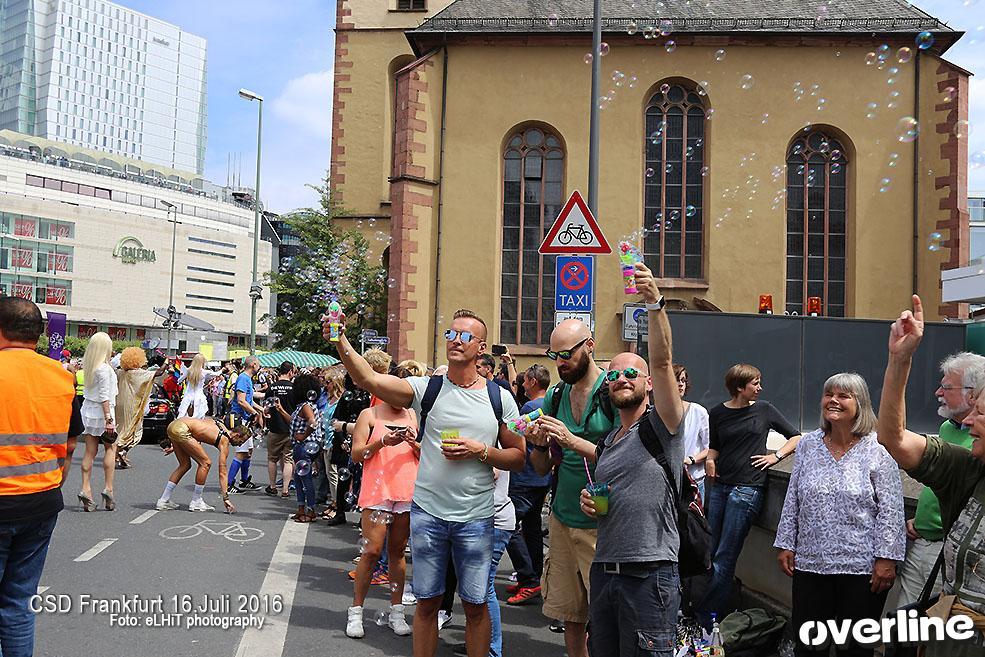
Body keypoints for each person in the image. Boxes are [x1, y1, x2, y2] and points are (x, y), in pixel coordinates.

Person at [324, 307, 524, 657]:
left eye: (465, 336)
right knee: (428, 605)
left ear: (481, 347)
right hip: (429, 516)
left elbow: (518, 457)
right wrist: (340, 339)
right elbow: (370, 380)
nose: (455, 340)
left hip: (476, 517)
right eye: (450, 334)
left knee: (476, 606)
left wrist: (481, 452)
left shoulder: (499, 398)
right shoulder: (427, 389)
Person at [575, 263, 685, 657]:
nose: (621, 378)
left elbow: (660, 361)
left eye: (631, 375)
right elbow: (605, 500)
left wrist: (654, 304)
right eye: (614, 374)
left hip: (650, 574)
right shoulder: (608, 442)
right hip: (605, 572)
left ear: (648, 385)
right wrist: (591, 504)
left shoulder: (663, 426)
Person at [876, 295, 985, 656]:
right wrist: (900, 358)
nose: (968, 423)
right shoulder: (968, 469)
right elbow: (892, 439)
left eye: (980, 414)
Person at [774, 373, 905, 657]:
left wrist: (887, 558)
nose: (833, 400)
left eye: (843, 395)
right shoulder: (808, 444)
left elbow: (891, 508)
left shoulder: (878, 448)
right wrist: (786, 542)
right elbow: (793, 496)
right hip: (811, 565)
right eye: (828, 394)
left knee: (854, 649)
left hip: (861, 570)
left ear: (861, 403)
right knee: (809, 646)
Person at [526, 319, 620, 657]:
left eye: (566, 353)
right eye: (554, 354)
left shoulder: (612, 391)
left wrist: (571, 440)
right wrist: (538, 445)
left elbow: (627, 457)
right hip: (563, 518)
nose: (560, 362)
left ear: (590, 346)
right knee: (571, 615)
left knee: (606, 616)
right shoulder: (556, 395)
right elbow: (542, 467)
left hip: (604, 523)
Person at [0, 297, 81, 657]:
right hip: (42, 501)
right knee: (19, 601)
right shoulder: (61, 377)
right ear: (39, 334)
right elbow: (70, 442)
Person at [697, 363, 801, 627]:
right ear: (740, 387)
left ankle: (705, 616)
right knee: (710, 552)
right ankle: (711, 613)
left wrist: (775, 456)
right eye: (755, 383)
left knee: (725, 556)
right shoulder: (718, 412)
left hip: (747, 489)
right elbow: (715, 447)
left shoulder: (764, 409)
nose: (760, 387)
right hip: (720, 486)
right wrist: (710, 460)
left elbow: (796, 437)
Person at [896, 352, 983, 606]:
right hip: (921, 540)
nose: (938, 392)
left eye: (946, 387)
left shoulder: (979, 444)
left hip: (947, 548)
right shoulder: (947, 428)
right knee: (904, 624)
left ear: (972, 393)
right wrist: (922, 520)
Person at [345, 371, 419, 638]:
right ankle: (356, 613)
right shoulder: (370, 414)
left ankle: (396, 612)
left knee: (398, 553)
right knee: (372, 551)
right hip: (378, 490)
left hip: (406, 489)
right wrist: (381, 442)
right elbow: (356, 454)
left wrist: (414, 443)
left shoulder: (412, 414)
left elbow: (422, 453)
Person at [506, 364, 552, 606]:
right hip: (542, 477)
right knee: (532, 529)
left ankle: (529, 576)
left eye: (525, 381)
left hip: (525, 477)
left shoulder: (531, 407)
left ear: (533, 382)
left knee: (509, 526)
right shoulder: (551, 404)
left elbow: (514, 429)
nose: (522, 384)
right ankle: (534, 578)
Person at [155, 415, 252, 512]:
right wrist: (225, 498)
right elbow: (222, 472)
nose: (240, 444)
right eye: (241, 441)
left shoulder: (219, 424)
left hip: (174, 425)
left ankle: (164, 500)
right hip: (182, 430)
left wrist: (179, 444)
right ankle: (196, 501)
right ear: (237, 435)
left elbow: (198, 431)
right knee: (206, 463)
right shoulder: (224, 441)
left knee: (184, 465)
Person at [78, 331, 120, 511]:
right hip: (103, 412)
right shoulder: (105, 369)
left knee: (89, 451)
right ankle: (108, 489)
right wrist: (109, 419)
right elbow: (105, 396)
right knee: (110, 448)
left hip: (88, 410)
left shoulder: (89, 367)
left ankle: (85, 489)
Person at [327, 372, 371, 526]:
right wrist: (341, 441)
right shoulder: (347, 395)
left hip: (363, 441)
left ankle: (362, 516)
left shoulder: (369, 396)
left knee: (363, 481)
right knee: (343, 480)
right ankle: (340, 513)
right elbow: (337, 420)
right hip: (345, 440)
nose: (355, 380)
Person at [279, 374, 324, 523]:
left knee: (305, 478)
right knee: (298, 477)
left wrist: (303, 436)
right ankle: (301, 508)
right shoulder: (303, 406)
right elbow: (294, 422)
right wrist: (280, 410)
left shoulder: (306, 406)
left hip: (305, 446)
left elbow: (312, 422)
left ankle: (310, 511)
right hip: (303, 445)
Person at [114, 346, 167, 468]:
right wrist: (165, 362)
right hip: (132, 406)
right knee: (135, 431)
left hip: (119, 405)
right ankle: (123, 451)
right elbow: (159, 372)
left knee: (121, 429)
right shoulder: (139, 373)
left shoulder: (120, 372)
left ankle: (118, 454)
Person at [229, 355, 265, 492]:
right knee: (241, 452)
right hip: (239, 420)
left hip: (245, 420)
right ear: (253, 364)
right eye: (259, 364)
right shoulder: (243, 378)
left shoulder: (247, 379)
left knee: (248, 452)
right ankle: (229, 484)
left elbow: (249, 401)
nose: (260, 367)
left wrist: (261, 410)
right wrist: (255, 413)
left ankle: (244, 480)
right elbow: (241, 401)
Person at [675, 364, 710, 503]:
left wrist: (692, 459)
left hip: (692, 480)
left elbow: (710, 447)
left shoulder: (698, 411)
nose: (680, 384)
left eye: (683, 380)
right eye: (676, 380)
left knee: (693, 523)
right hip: (666, 481)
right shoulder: (655, 413)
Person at [265, 361, 297, 497]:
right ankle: (285, 489)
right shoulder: (294, 388)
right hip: (290, 427)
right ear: (290, 372)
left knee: (272, 458)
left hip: (274, 427)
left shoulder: (272, 387)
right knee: (288, 459)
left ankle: (272, 486)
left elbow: (266, 407)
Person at [177, 353, 215, 419]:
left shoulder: (189, 370)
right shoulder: (204, 372)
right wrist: (222, 370)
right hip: (199, 397)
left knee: (182, 414)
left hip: (188, 396)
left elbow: (179, 380)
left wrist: (179, 382)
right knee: (200, 415)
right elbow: (216, 374)